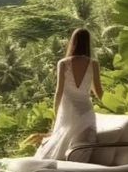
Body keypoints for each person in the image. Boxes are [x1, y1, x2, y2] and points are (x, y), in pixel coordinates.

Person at [34, 27, 102, 162]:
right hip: (86, 110)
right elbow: (98, 91)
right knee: (83, 144)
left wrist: (56, 114)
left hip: (68, 110)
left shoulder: (63, 63)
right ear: (88, 43)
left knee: (62, 139)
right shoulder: (93, 63)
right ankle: (77, 169)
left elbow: (59, 92)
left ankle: (60, 168)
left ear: (73, 42)